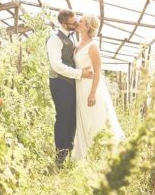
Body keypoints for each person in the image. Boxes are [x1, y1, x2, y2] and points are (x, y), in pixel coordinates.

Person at [72, 14, 125, 160]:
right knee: (82, 118)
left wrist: (92, 93)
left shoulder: (93, 46)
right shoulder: (77, 44)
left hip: (90, 87)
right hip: (79, 86)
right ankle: (84, 153)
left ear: (87, 26)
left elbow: (97, 71)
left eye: (81, 21)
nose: (77, 22)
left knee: (95, 118)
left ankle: (102, 154)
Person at [47, 9, 94, 166]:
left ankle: (69, 149)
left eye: (77, 21)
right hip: (60, 83)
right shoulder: (54, 39)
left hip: (72, 82)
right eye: (73, 23)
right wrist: (79, 73)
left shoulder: (73, 36)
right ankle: (60, 156)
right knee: (63, 118)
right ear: (63, 24)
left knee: (73, 118)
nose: (76, 24)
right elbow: (56, 65)